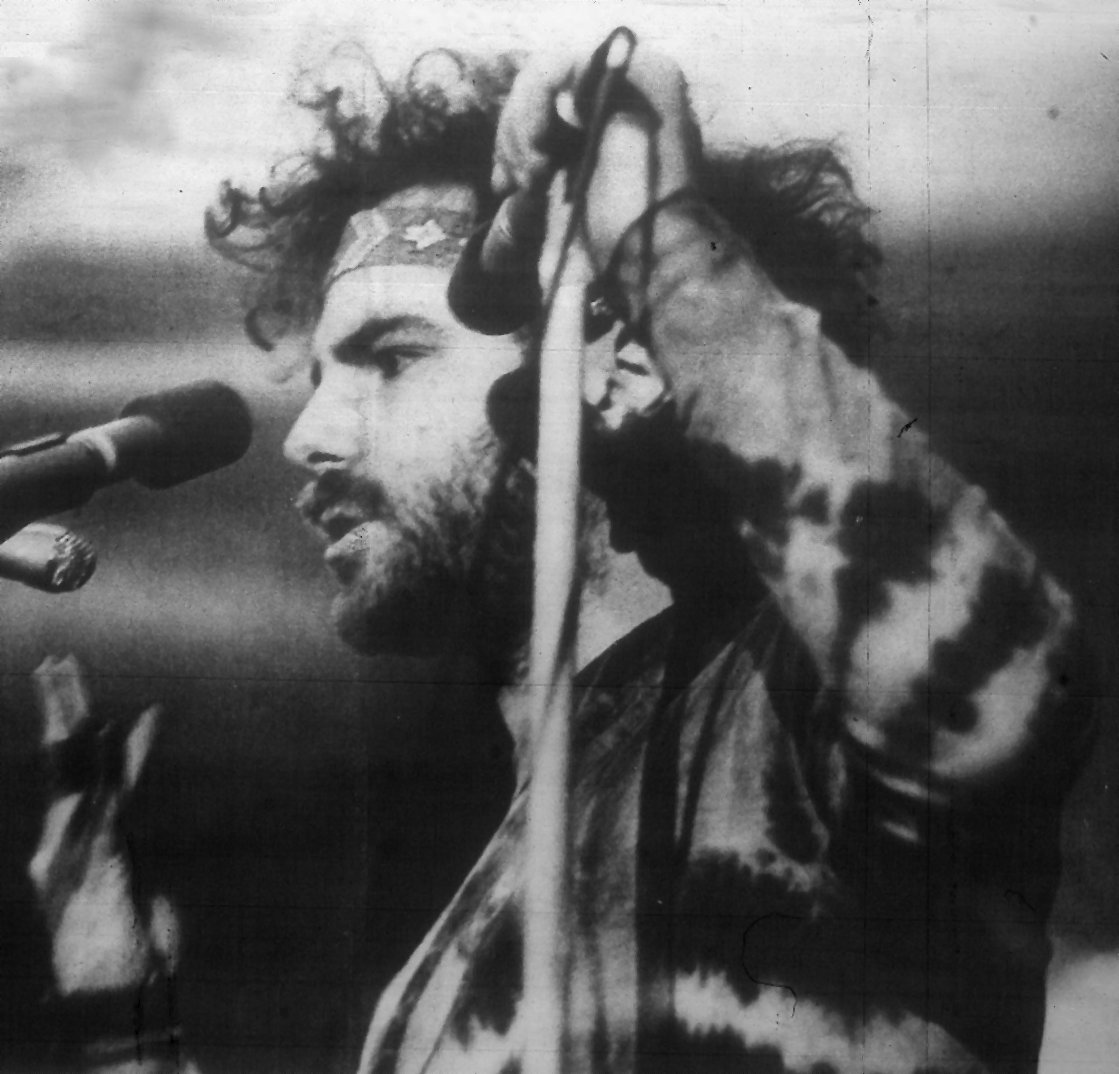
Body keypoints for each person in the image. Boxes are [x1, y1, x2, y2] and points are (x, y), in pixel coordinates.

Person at [31, 35, 1093, 1074]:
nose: (308, 437)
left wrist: (660, 246)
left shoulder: (792, 722)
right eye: (317, 381)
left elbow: (997, 672)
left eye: (390, 359)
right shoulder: (439, 961)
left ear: (622, 368)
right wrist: (126, 1028)